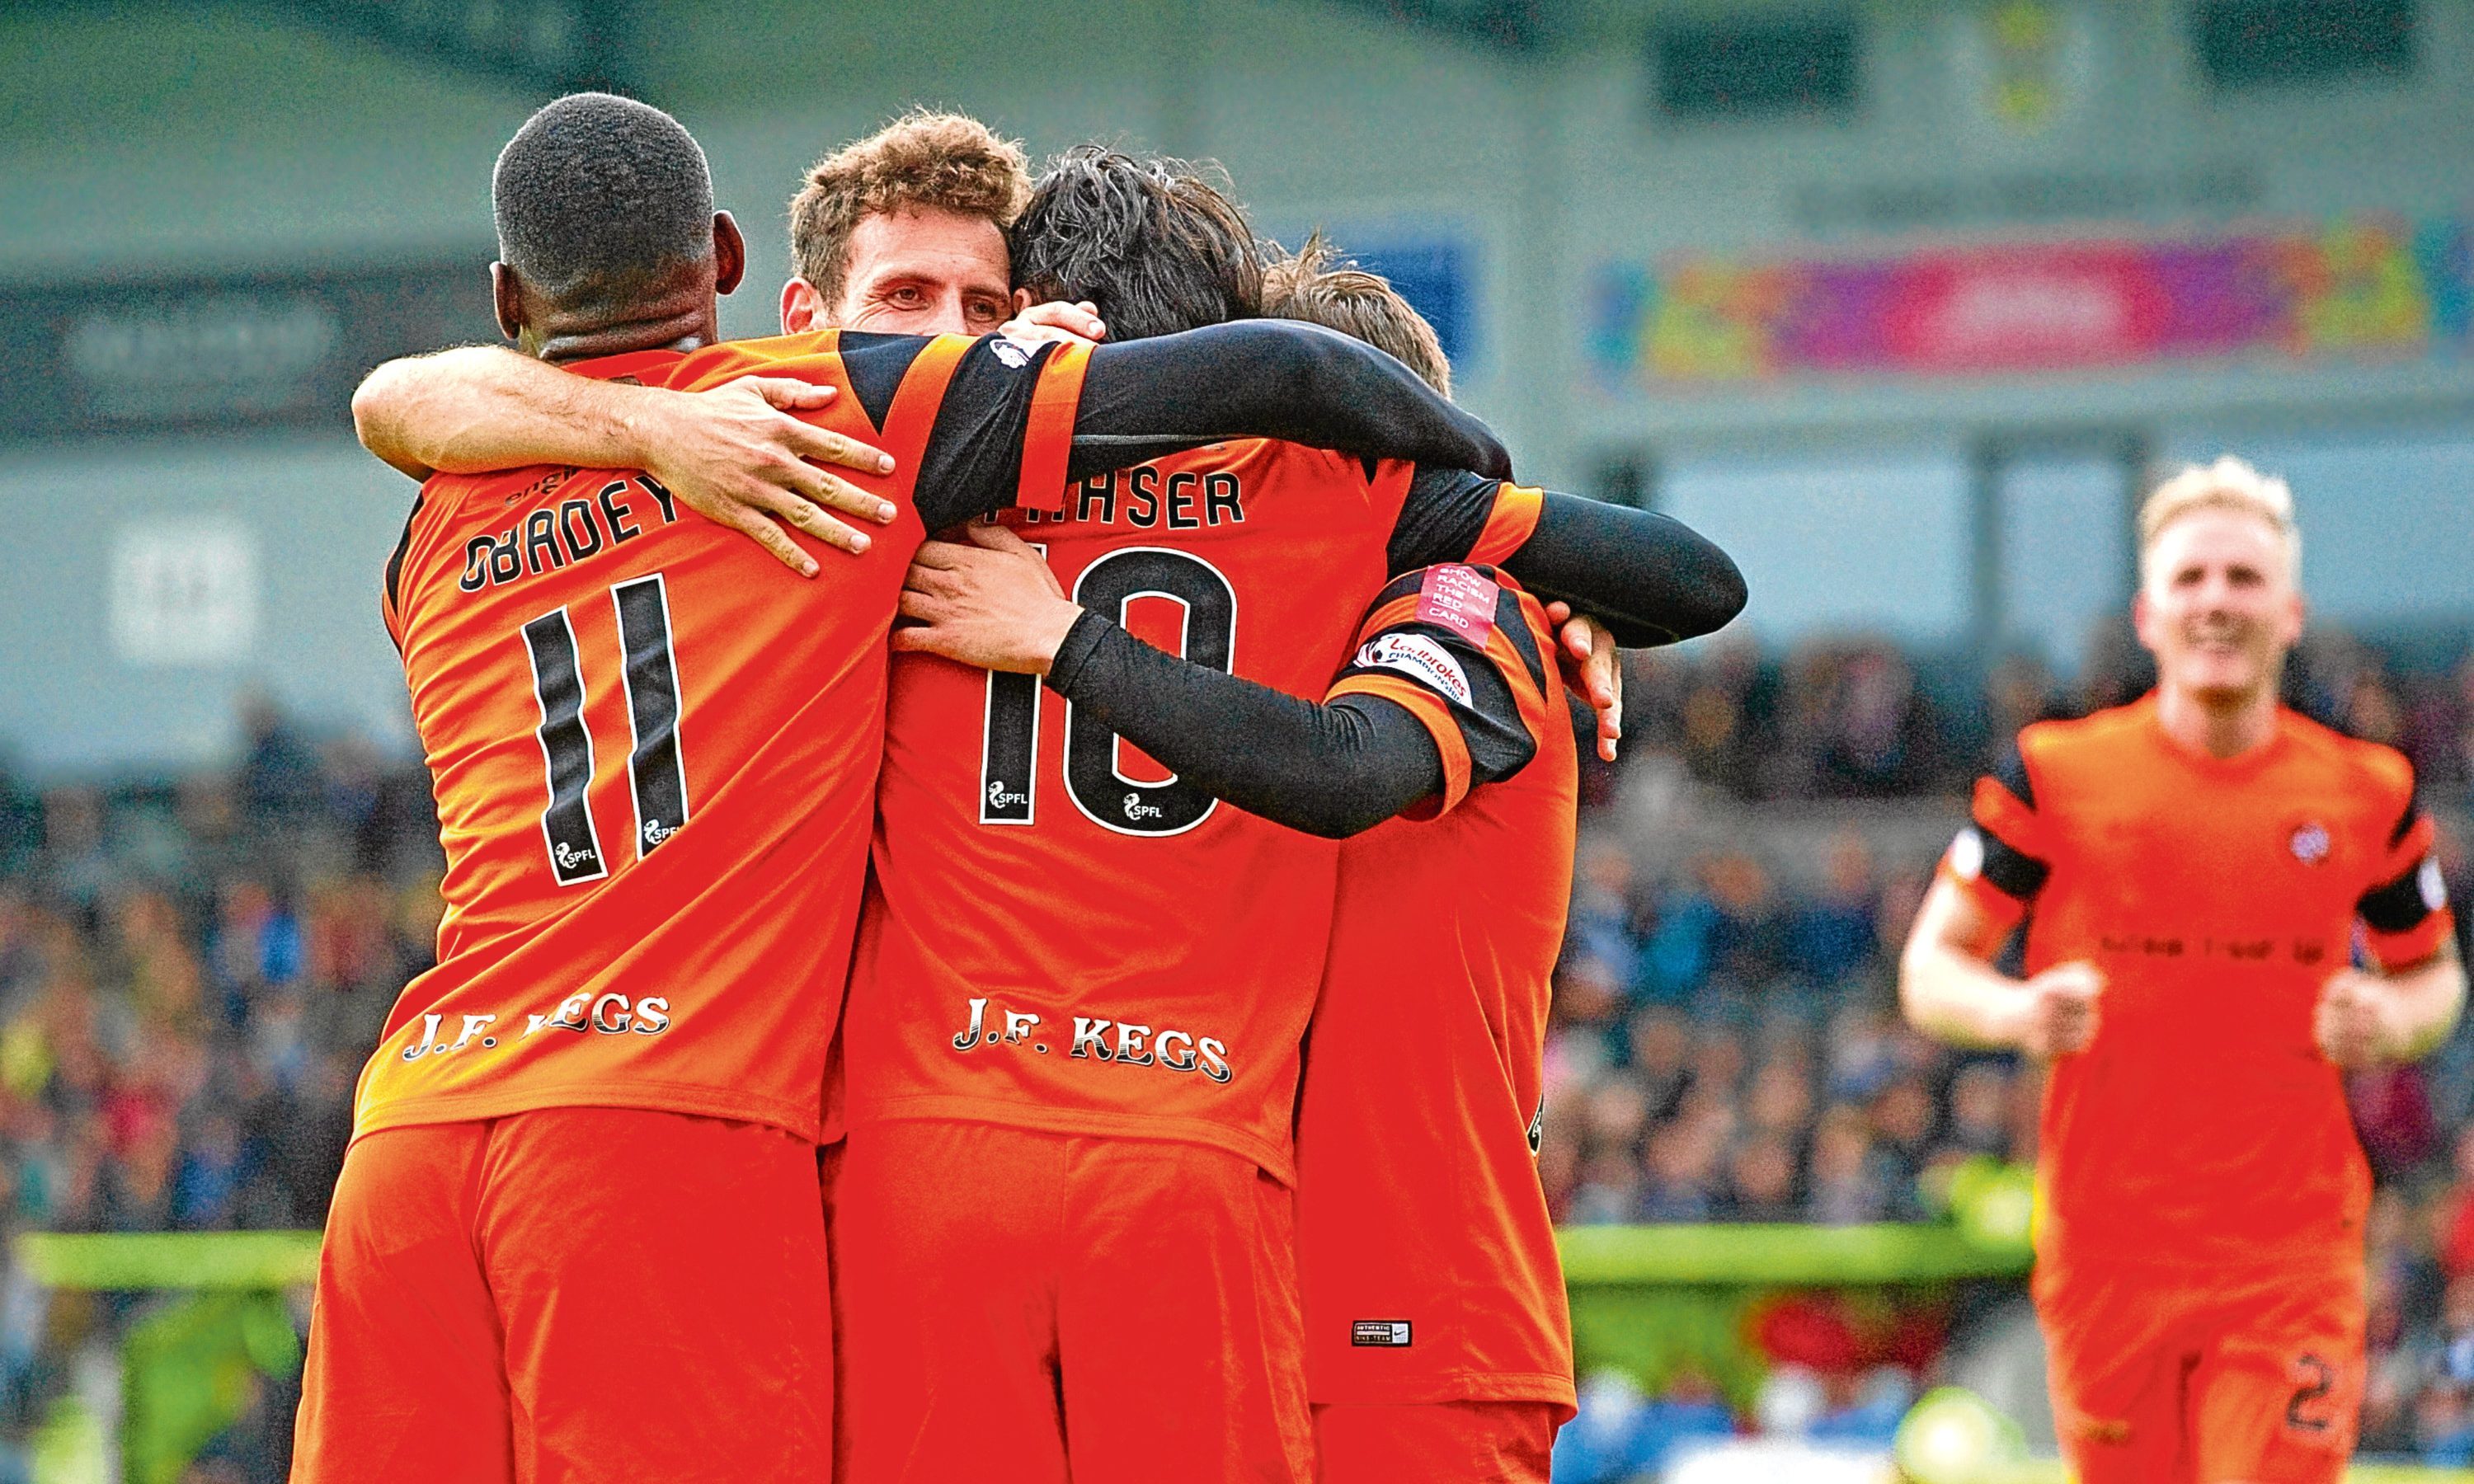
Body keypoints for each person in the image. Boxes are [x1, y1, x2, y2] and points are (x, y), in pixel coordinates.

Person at [310, 92, 1512, 1484]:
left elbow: (398, 401)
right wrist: (1465, 529)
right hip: (659, 1133)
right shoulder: (850, 419)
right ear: (739, 265)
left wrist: (629, 430)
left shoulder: (427, 525)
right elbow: (1290, 375)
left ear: (509, 296)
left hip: (410, 1129)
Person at [835, 148, 1740, 1484]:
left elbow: (1353, 760)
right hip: (1224, 1221)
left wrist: (1068, 628)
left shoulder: (913, 495)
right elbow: (1688, 578)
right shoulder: (1328, 521)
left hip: (1371, 1293)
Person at [1898, 456, 2467, 1484]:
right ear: (2148, 614)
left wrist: (2391, 1017)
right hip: (2108, 1253)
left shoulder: (2365, 792)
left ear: (2290, 613)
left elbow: (2437, 981)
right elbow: (1932, 968)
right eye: (2192, 579)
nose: (2217, 601)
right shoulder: (2055, 773)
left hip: (2289, 1256)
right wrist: (2019, 1011)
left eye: (2244, 580)